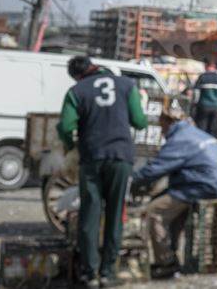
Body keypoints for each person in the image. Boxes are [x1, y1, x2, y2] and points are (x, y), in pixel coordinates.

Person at [57, 56, 148, 288]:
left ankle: (90, 273)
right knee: (115, 214)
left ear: (78, 75)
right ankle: (108, 272)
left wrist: (70, 146)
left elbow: (66, 126)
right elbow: (139, 121)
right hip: (121, 158)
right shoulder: (127, 85)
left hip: (92, 158)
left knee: (90, 215)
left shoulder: (76, 91)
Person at [131, 103, 217, 279]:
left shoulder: (180, 139)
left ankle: (166, 262)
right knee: (172, 208)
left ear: (169, 123)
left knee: (154, 211)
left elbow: (155, 169)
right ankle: (171, 255)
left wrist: (132, 180)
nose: (161, 131)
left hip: (202, 185)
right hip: (213, 182)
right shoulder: (194, 133)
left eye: (162, 126)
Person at [191, 61, 217, 136]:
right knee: (213, 130)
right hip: (216, 108)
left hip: (203, 107)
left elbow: (196, 94)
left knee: (202, 129)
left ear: (206, 67)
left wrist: (194, 104)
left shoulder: (202, 77)